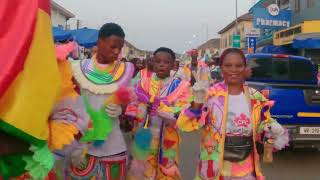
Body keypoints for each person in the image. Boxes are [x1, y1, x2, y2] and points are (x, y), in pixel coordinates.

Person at [177, 48, 289, 180]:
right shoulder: (210, 95)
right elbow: (185, 125)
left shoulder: (255, 97)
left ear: (244, 67)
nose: (233, 70)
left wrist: (271, 128)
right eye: (228, 65)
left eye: (238, 65)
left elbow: (262, 126)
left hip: (245, 169)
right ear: (221, 68)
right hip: (213, 168)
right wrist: (197, 103)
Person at [49, 23, 134, 179]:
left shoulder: (125, 71)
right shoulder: (76, 68)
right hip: (81, 147)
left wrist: (122, 109)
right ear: (100, 42)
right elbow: (66, 107)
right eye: (113, 46)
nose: (117, 52)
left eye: (120, 48)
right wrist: (73, 148)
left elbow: (128, 100)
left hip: (113, 147)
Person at [126, 47, 192, 180]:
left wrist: (163, 110)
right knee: (142, 170)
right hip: (145, 136)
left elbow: (184, 111)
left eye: (166, 62)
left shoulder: (181, 86)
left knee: (166, 170)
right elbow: (133, 105)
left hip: (168, 137)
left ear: (173, 65)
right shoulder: (142, 84)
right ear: (152, 63)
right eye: (158, 61)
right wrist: (141, 111)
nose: (161, 64)